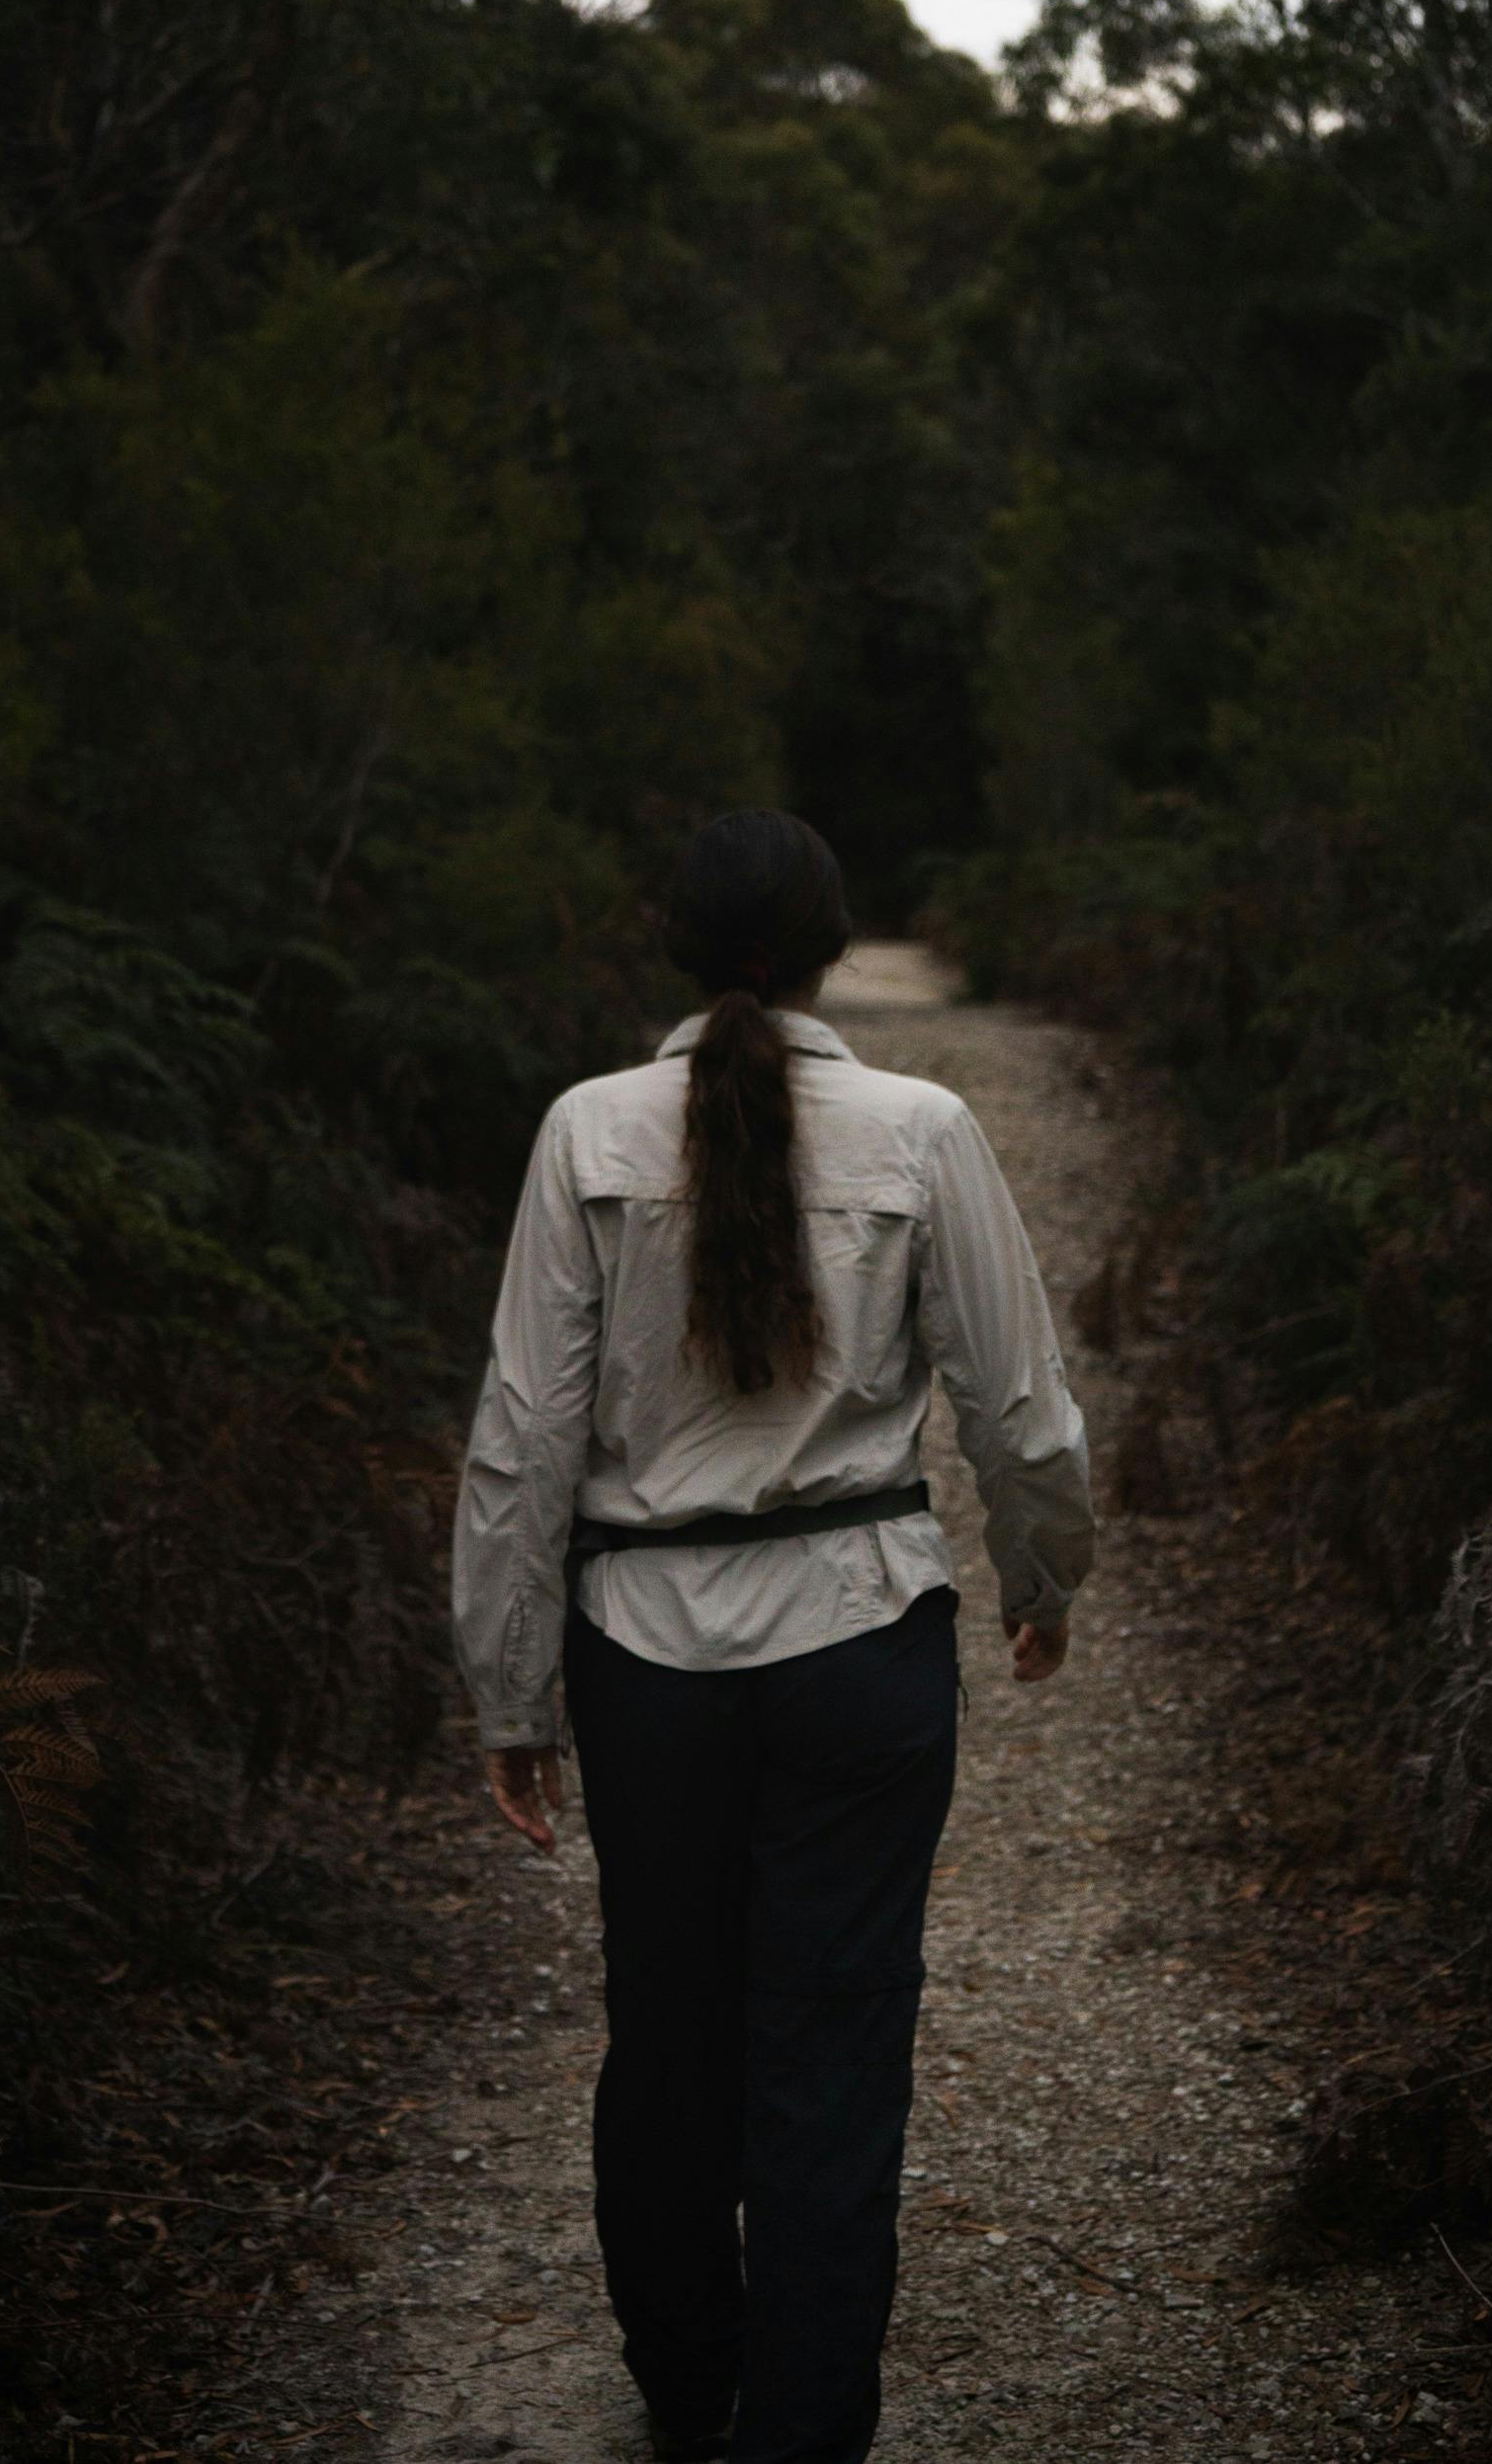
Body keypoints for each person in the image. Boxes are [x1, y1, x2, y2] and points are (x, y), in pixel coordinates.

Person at [452, 808, 1095, 2464]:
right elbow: (1020, 1412)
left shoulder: (584, 1131)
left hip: (642, 1657)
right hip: (861, 1642)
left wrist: (511, 1685)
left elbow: (526, 1434)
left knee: (666, 2035)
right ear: (828, 942)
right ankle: (802, 2434)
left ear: (674, 942)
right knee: (835, 2044)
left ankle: (687, 2389)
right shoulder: (923, 1127)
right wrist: (1041, 1582)